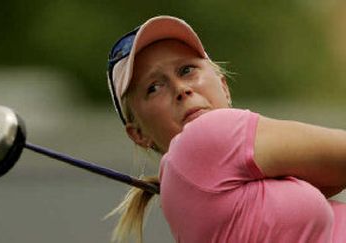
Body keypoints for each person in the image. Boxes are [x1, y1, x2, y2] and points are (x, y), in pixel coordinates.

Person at [106, 15, 346, 243]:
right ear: (138, 134)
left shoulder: (187, 193)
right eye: (154, 87)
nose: (180, 89)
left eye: (186, 70)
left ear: (224, 86)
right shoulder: (201, 140)